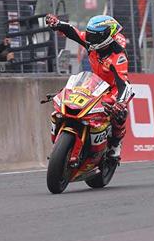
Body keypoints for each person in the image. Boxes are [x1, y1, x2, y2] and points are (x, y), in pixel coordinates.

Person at [46, 13, 134, 161]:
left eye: (93, 35)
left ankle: (115, 145)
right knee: (72, 99)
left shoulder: (118, 56)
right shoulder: (92, 42)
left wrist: (120, 103)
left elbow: (123, 84)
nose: (89, 38)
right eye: (89, 34)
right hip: (94, 82)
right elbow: (72, 32)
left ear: (106, 37)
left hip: (113, 88)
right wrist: (57, 24)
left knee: (120, 113)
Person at [111, 0, 150, 71]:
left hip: (116, 16)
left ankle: (116, 67)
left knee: (116, 41)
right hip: (131, 16)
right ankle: (136, 68)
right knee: (133, 42)